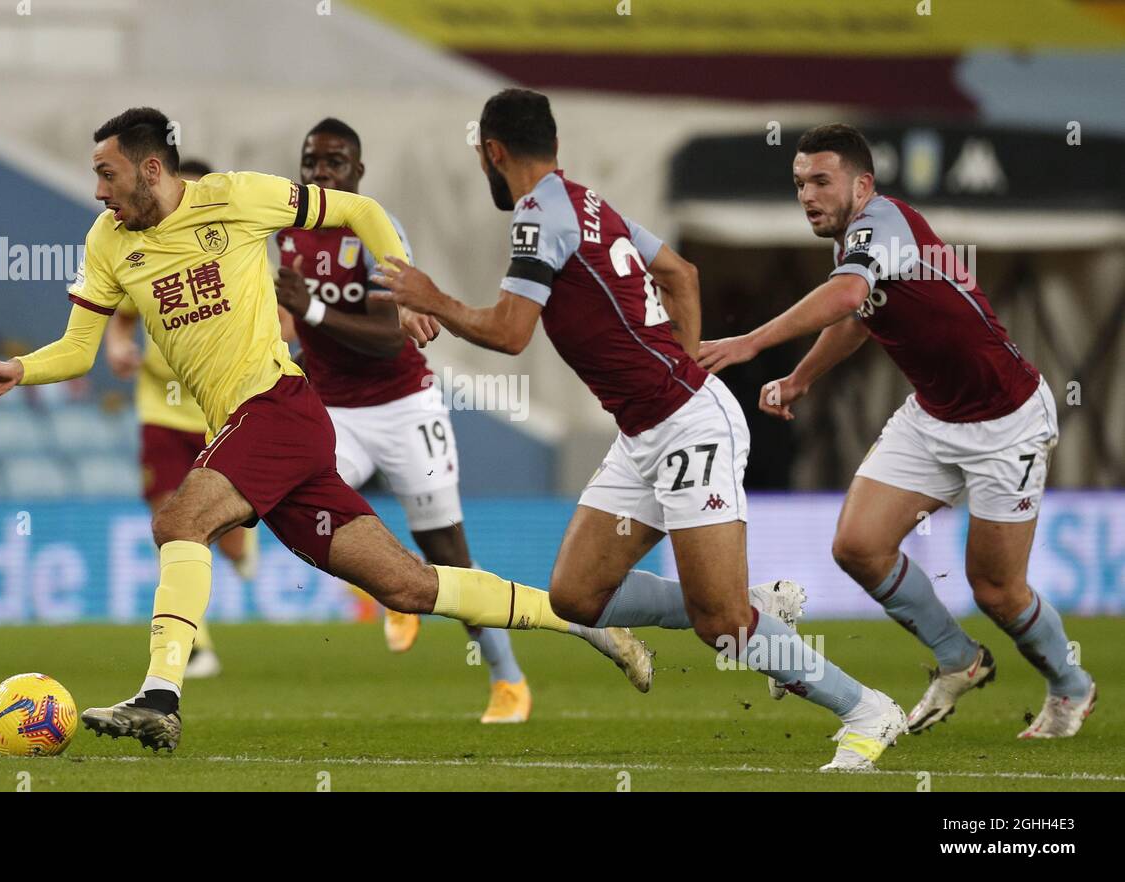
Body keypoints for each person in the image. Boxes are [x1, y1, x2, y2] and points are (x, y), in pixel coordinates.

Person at [0, 106, 652, 752]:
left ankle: (161, 695)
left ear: (151, 169)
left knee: (179, 522)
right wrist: (18, 370)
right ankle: (580, 623)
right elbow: (79, 348)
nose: (98, 191)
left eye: (106, 174)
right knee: (406, 586)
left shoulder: (236, 197)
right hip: (269, 434)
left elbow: (360, 209)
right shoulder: (107, 241)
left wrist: (400, 292)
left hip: (277, 406)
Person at [372, 89, 906, 771]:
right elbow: (680, 273)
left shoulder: (539, 215)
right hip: (650, 428)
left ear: (493, 152)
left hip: (686, 428)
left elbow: (509, 334)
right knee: (578, 598)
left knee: (723, 628)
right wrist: (677, 367)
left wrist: (432, 299)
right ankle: (753, 605)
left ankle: (865, 710)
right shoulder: (589, 202)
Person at [696, 123, 1094, 739]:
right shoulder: (854, 242)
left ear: (863, 184)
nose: (807, 195)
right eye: (799, 183)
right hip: (933, 416)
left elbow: (848, 293)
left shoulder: (883, 222)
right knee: (857, 547)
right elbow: (859, 313)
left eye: (821, 181)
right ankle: (959, 659)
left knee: (996, 589)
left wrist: (752, 341)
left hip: (1006, 421)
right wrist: (802, 378)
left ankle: (1071, 686)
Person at [274, 118, 532, 723]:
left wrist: (309, 308)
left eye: (335, 163)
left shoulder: (376, 229)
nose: (321, 172)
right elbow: (298, 323)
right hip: (332, 408)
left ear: (358, 174)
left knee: (448, 556)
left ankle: (507, 678)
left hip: (403, 404)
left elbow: (391, 337)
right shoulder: (286, 231)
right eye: (312, 161)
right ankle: (388, 586)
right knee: (300, 498)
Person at [102, 157, 252, 680]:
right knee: (172, 525)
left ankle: (244, 541)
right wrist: (118, 349)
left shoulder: (237, 250)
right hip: (159, 410)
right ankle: (196, 648)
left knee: (226, 544)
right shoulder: (139, 255)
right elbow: (117, 323)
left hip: (222, 410)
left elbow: (280, 318)